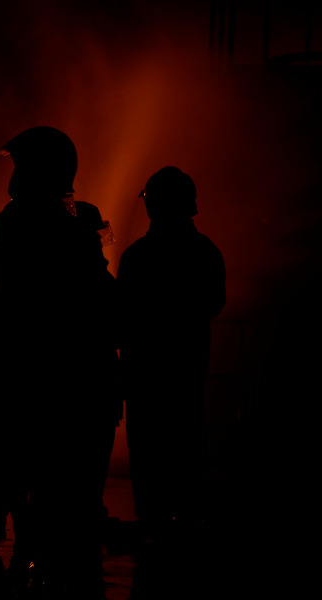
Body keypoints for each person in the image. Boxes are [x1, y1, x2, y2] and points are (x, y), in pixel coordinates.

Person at [0, 126, 120, 596]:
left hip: (12, 365)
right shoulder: (79, 224)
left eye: (18, 164)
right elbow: (102, 295)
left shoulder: (15, 222)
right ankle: (42, 547)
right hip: (65, 370)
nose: (13, 175)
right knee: (48, 464)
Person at [118, 167, 226, 542]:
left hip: (144, 370)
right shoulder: (205, 252)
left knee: (148, 442)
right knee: (186, 434)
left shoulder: (137, 257)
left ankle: (153, 517)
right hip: (186, 366)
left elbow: (122, 316)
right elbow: (214, 303)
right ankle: (189, 514)